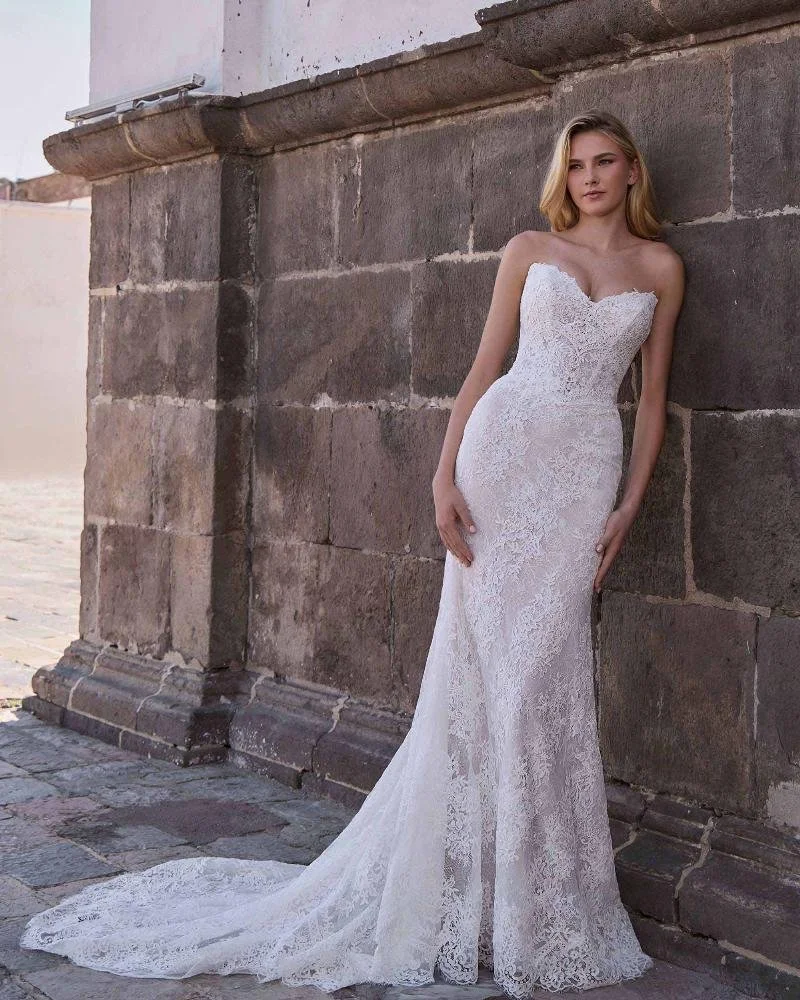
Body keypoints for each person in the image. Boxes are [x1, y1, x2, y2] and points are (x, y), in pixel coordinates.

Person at [20, 109, 684, 997]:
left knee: (542, 675)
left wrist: (630, 505)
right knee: (488, 677)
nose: (591, 179)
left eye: (606, 164)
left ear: (633, 172)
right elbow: (486, 369)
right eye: (577, 166)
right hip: (505, 455)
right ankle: (472, 898)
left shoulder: (661, 268)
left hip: (581, 475)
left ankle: (537, 908)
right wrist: (444, 477)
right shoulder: (530, 250)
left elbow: (649, 403)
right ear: (562, 177)